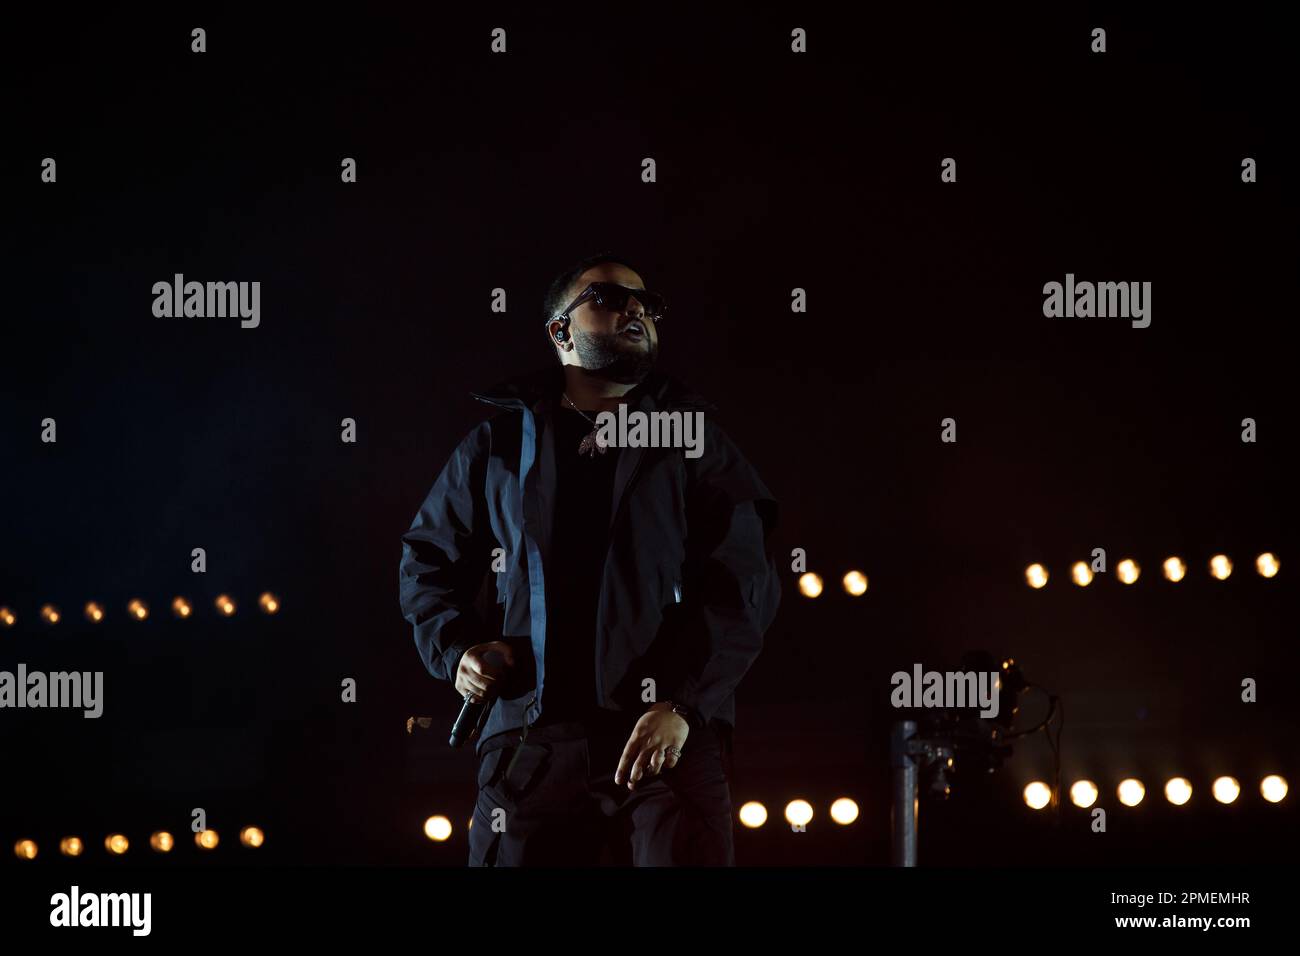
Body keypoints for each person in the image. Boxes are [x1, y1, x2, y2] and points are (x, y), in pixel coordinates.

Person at [398, 251, 781, 865]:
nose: (634, 309)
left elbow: (745, 580)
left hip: (660, 744)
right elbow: (426, 559)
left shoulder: (691, 439)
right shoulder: (497, 444)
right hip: (529, 742)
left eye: (645, 303)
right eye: (607, 298)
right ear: (559, 331)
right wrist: (459, 649)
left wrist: (683, 702)